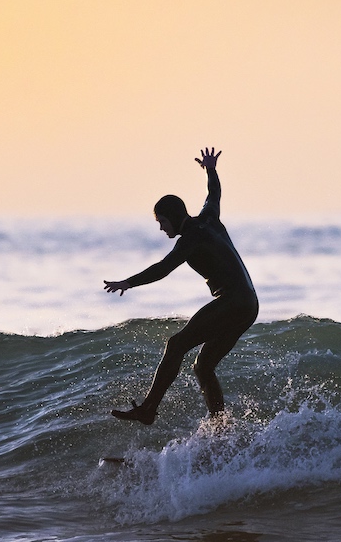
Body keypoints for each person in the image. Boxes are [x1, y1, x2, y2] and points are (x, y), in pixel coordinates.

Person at [103, 147, 259, 424]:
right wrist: (210, 169)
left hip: (232, 301)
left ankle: (148, 409)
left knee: (176, 345)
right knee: (203, 366)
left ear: (173, 217)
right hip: (249, 304)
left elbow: (163, 268)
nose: (161, 228)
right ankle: (219, 426)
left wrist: (128, 282)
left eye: (162, 221)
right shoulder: (209, 218)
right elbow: (214, 194)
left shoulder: (189, 239)